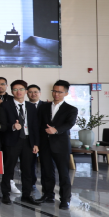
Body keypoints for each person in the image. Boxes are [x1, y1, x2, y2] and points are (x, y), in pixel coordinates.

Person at [37, 80, 78, 210]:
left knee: (63, 173)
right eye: (54, 91)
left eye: (59, 92)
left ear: (66, 93)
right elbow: (38, 124)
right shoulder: (43, 107)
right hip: (45, 144)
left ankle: (65, 199)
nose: (56, 94)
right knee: (46, 171)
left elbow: (69, 123)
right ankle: (48, 195)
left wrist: (56, 130)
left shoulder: (71, 109)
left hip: (61, 145)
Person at [0, 80, 40, 205]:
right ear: (12, 91)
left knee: (27, 169)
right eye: (15, 89)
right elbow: (2, 124)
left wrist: (36, 143)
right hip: (12, 141)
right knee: (8, 168)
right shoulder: (5, 105)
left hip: (28, 141)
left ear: (26, 91)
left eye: (21, 89)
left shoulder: (31, 106)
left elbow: (35, 126)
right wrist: (12, 126)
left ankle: (26, 195)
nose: (19, 92)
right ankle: (5, 194)